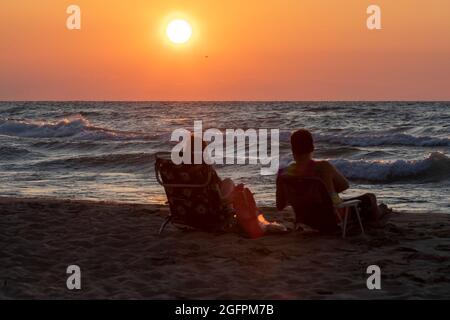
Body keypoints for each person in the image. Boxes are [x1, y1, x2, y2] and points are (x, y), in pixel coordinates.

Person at [276, 129, 391, 226]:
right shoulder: (322, 167)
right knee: (370, 197)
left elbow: (280, 205)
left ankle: (381, 210)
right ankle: (379, 216)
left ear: (292, 149)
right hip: (331, 218)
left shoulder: (283, 174)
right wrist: (328, 190)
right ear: (312, 147)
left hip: (305, 219)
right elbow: (345, 185)